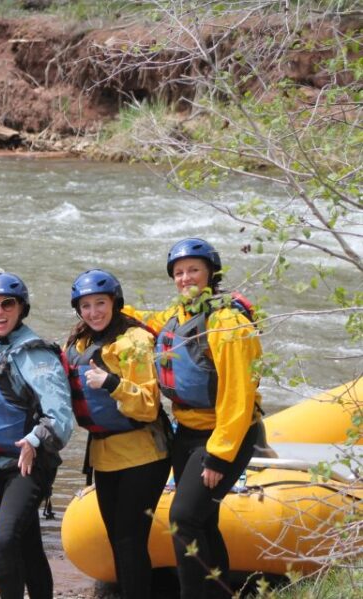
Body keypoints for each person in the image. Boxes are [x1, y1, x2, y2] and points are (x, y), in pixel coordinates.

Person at [140, 238, 263, 599]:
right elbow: (145, 320)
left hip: (225, 436)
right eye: (178, 272)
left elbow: (238, 396)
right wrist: (105, 309)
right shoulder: (178, 316)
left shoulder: (227, 323)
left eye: (193, 269)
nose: (185, 277)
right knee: (204, 522)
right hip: (187, 432)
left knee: (184, 519)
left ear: (211, 272)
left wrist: (219, 455)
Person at [63, 269, 170, 599]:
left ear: (115, 303)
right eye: (86, 306)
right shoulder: (79, 343)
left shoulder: (135, 341)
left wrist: (111, 383)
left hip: (144, 454)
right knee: (118, 539)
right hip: (105, 457)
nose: (93, 312)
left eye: (100, 303)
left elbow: (149, 406)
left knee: (129, 538)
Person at [0, 273, 73, 599]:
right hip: (4, 463)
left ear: (21, 308)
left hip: (31, 463)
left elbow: (60, 416)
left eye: (7, 305)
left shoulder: (34, 354)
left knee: (3, 541)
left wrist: (33, 440)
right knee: (28, 545)